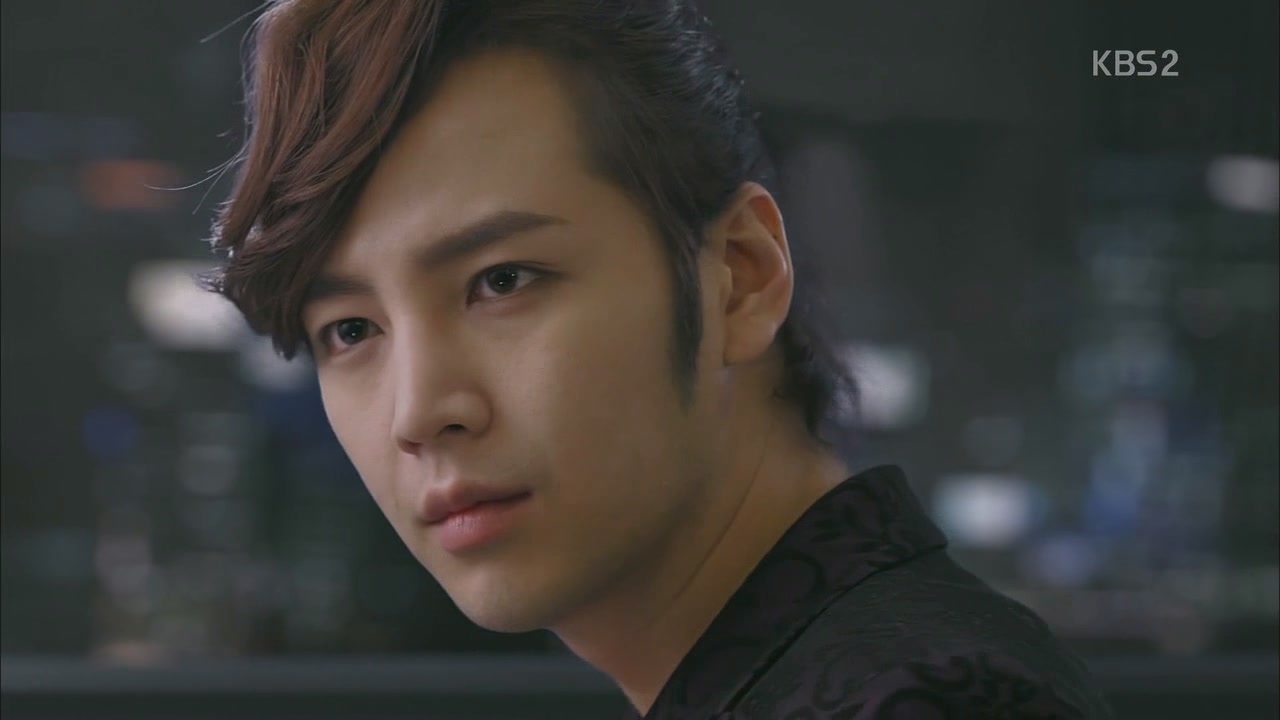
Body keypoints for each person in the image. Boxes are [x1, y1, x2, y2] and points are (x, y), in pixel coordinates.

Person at [202, 1, 1113, 717]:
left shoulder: (922, 701)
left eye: (503, 280)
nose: (419, 412)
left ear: (739, 279)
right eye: (350, 331)